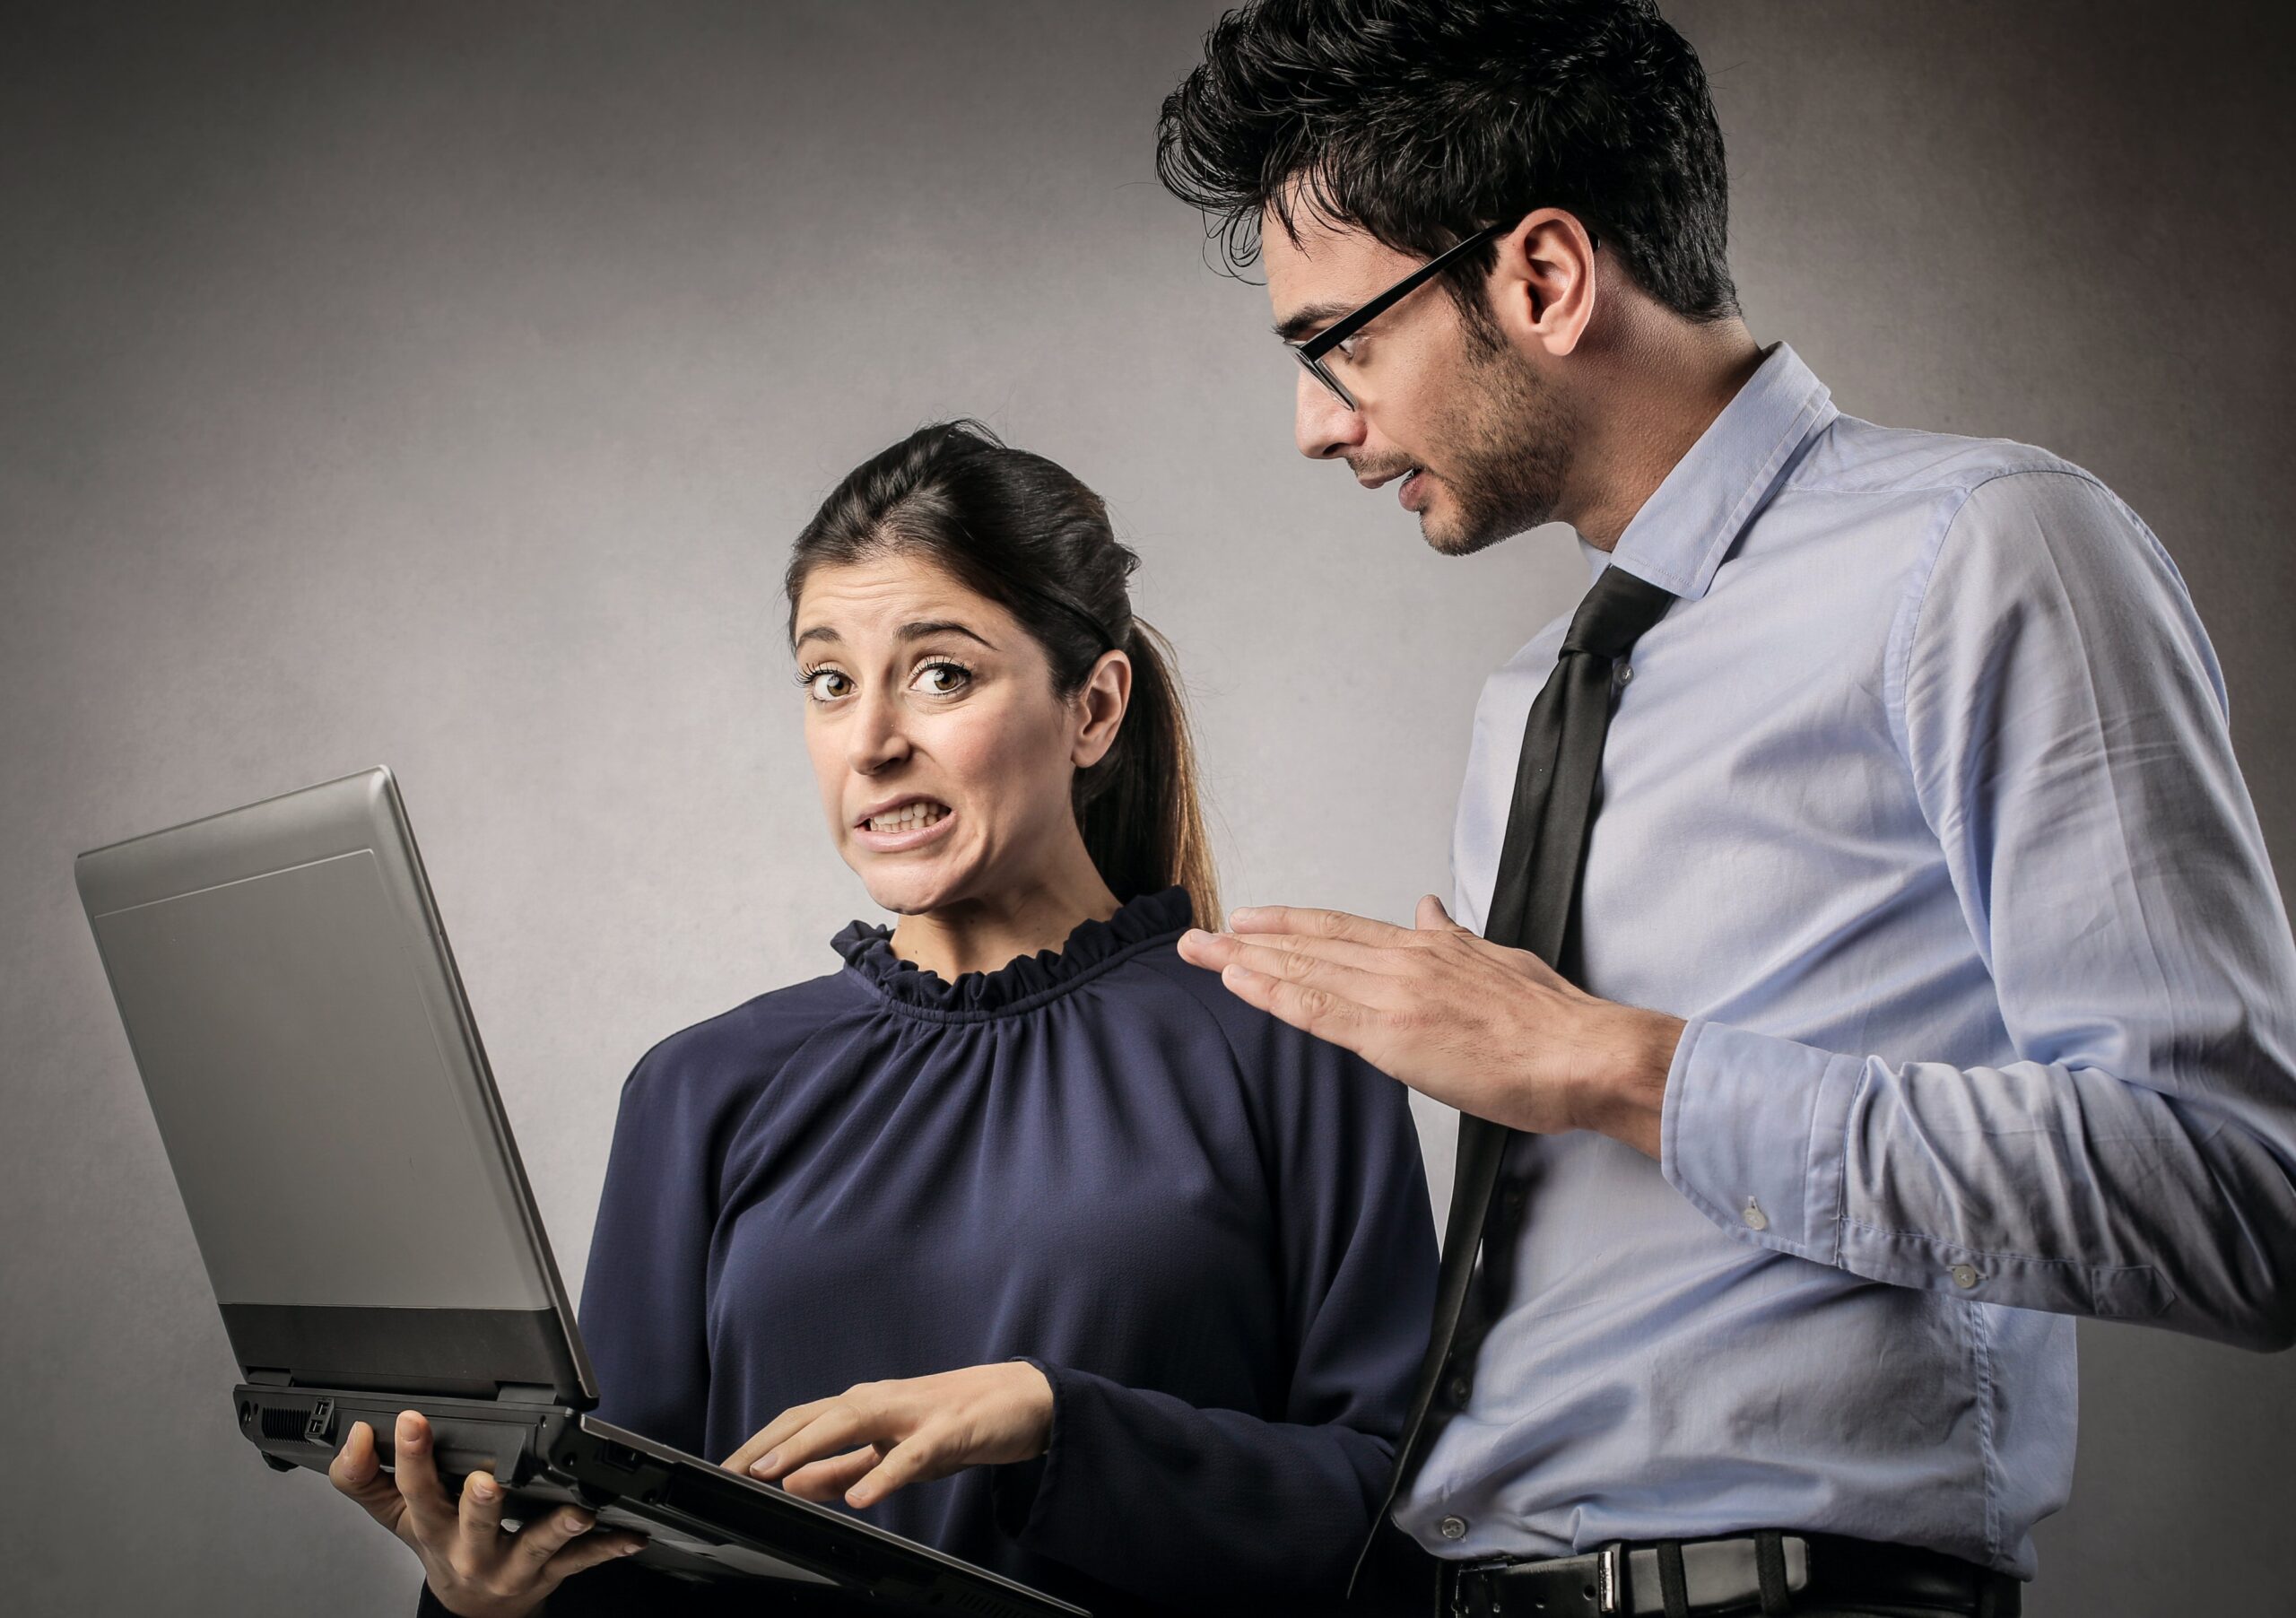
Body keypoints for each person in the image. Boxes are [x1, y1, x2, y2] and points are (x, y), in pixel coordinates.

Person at [1155, 3, 2296, 1615]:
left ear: (1540, 279)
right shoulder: (1533, 699)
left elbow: (2238, 1194)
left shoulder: (1986, 555)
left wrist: (1615, 1064)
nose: (1318, 421)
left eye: (1341, 341)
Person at [324, 421, 1439, 1617]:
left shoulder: (1294, 1047)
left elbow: (1396, 1520)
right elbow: (618, 1550)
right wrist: (493, 1594)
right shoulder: (700, 1088)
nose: (872, 743)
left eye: (940, 674)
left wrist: (1055, 1422)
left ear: (1095, 710)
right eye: (828, 681)